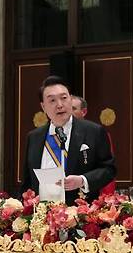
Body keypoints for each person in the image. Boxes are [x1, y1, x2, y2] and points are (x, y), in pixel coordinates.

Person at [21, 76, 116, 205]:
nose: (60, 105)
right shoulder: (34, 137)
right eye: (52, 100)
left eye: (64, 98)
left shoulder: (93, 131)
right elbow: (27, 181)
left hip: (80, 214)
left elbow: (109, 169)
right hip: (41, 215)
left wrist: (83, 180)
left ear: (71, 100)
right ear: (43, 106)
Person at [71, 95, 117, 195]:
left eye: (73, 109)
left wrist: (106, 198)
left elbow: (106, 168)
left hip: (90, 195)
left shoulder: (96, 133)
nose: (70, 112)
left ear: (84, 112)